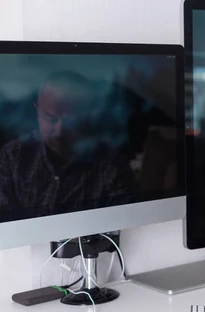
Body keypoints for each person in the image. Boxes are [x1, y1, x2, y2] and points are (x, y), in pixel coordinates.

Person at [0, 70, 136, 220]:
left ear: (87, 117)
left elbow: (125, 223)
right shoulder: (12, 156)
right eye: (51, 119)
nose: (59, 132)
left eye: (71, 122)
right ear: (37, 112)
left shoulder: (112, 166)